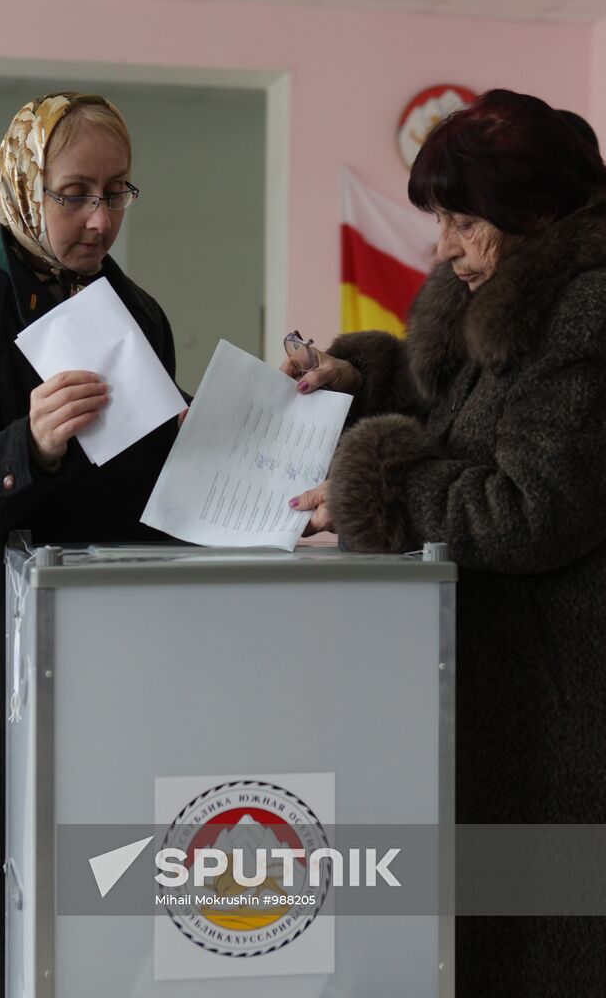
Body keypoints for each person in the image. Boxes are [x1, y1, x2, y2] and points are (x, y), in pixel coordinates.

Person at [284, 89, 606, 996]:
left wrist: (379, 488)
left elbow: (527, 509)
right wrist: (358, 379)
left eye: (464, 222)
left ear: (536, 211)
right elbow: (450, 422)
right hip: (487, 683)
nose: (443, 248)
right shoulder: (500, 292)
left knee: (547, 945)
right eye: (440, 220)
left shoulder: (584, 314)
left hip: (555, 703)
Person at [0, 93, 181, 998]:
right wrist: (23, 451)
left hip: (121, 645)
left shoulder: (136, 314)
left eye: (116, 192)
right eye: (74, 194)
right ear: (24, 190)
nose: (100, 219)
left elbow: (157, 492)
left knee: (116, 854)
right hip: (2, 647)